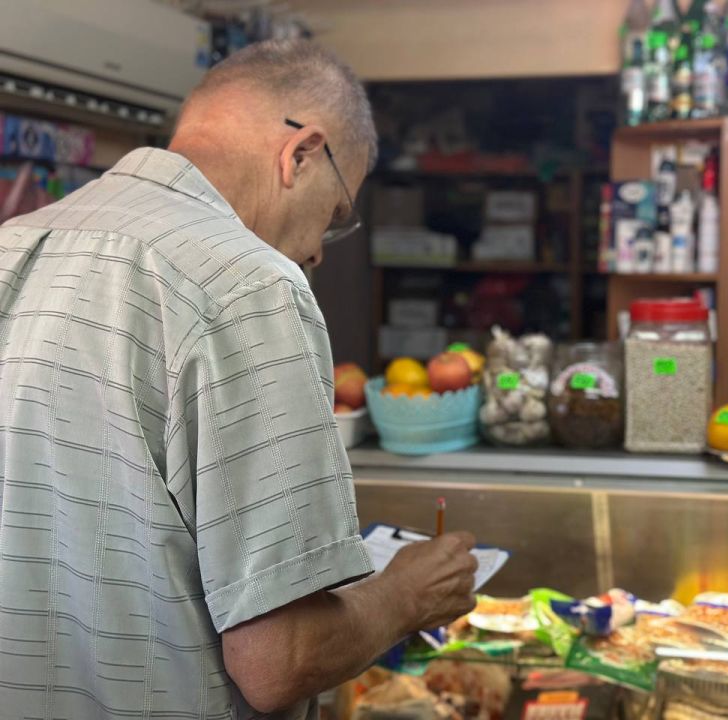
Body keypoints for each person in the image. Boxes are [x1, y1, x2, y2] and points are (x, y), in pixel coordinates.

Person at [0, 39, 478, 719]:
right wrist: (405, 596)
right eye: (335, 216)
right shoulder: (250, 284)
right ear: (301, 154)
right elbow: (278, 661)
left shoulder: (14, 243)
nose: (317, 252)